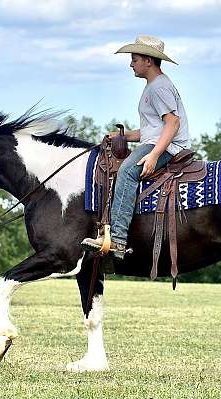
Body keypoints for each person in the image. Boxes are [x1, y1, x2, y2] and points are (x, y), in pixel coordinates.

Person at [81, 35, 190, 259]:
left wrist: (154, 156)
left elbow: (172, 123)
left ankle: (117, 240)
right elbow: (153, 128)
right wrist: (123, 136)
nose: (131, 64)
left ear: (148, 61)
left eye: (134, 59)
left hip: (168, 147)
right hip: (155, 141)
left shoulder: (159, 87)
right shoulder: (154, 86)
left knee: (127, 171)